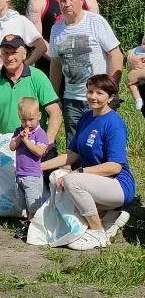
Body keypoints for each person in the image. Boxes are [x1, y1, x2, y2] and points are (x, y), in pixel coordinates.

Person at [40, 74, 134, 251]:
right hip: (95, 182)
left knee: (71, 181)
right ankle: (109, 216)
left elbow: (115, 166)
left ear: (111, 97)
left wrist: (80, 172)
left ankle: (98, 233)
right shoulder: (86, 117)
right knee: (55, 177)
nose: (93, 97)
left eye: (100, 93)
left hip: (118, 185)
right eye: (90, 91)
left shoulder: (114, 124)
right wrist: (37, 167)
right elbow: (71, 156)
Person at [48, 0, 122, 143]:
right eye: (62, 0)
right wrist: (53, 97)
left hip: (99, 98)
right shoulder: (56, 29)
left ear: (81, 0)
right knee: (75, 145)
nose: (66, 4)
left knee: (100, 144)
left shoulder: (96, 22)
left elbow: (116, 55)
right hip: (71, 99)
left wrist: (112, 90)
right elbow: (55, 64)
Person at [0, 35, 62, 160]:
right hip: (6, 144)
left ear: (24, 55)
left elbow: (55, 113)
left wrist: (47, 143)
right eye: (5, 53)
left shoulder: (38, 77)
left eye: (14, 52)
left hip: (35, 142)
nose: (10, 57)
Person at [26, 0, 99, 75]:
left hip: (85, 65)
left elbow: (96, 32)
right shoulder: (38, 1)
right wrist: (60, 59)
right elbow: (36, 38)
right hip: (49, 66)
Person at [9, 97, 49, 240]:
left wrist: (26, 141)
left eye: (31, 119)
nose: (27, 124)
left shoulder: (40, 133)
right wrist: (19, 138)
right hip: (20, 173)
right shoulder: (18, 131)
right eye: (23, 120)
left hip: (33, 175)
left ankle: (34, 228)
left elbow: (39, 151)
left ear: (39, 116)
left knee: (33, 204)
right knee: (23, 202)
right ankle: (28, 224)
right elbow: (12, 147)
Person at [125, 34, 145, 116]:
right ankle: (138, 99)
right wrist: (130, 58)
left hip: (137, 76)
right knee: (132, 85)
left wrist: (136, 74)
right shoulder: (138, 50)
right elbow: (129, 53)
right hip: (139, 84)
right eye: (143, 43)